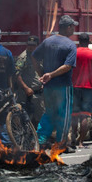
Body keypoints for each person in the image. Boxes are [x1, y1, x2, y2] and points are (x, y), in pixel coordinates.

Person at [34, 15, 79, 150]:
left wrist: (42, 74)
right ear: (68, 27)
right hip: (63, 86)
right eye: (73, 27)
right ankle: (61, 143)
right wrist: (51, 75)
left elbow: (34, 56)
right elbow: (68, 66)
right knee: (64, 115)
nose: (74, 30)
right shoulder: (70, 45)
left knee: (49, 113)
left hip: (48, 86)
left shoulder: (47, 41)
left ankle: (40, 141)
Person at [69, 33, 92, 148]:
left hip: (75, 86)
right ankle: (81, 142)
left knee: (74, 115)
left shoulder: (74, 52)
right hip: (88, 87)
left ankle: (73, 139)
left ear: (78, 41)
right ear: (89, 41)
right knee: (85, 116)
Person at [14, 35, 44, 126]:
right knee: (26, 120)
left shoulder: (40, 56)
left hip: (39, 94)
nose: (31, 47)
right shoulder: (23, 58)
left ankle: (38, 139)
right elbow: (16, 75)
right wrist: (26, 88)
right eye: (29, 45)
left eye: (33, 45)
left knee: (40, 118)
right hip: (27, 95)